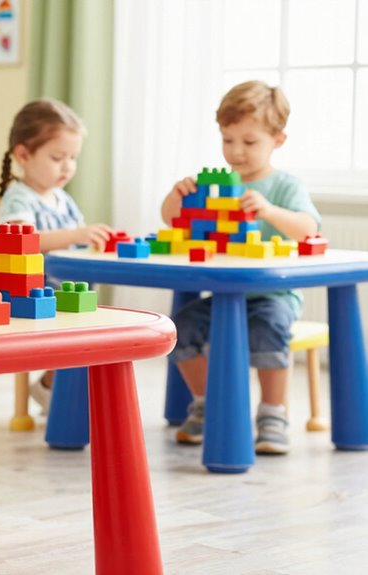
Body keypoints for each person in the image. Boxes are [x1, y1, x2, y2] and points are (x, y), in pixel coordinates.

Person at [160, 80, 320, 454]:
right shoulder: (213, 186)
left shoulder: (284, 185)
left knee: (269, 329)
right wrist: (175, 196)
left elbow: (308, 228)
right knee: (181, 328)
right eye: (227, 140)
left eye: (249, 142)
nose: (236, 151)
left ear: (277, 140)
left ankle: (272, 413)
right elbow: (172, 220)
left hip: (273, 294)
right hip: (225, 293)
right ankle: (205, 404)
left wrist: (268, 210)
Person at [0, 98, 113, 413]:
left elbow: (80, 242)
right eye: (58, 157)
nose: (68, 166)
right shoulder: (18, 198)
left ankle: (53, 387)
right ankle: (59, 393)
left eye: (73, 158)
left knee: (100, 327)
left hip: (66, 289)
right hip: (35, 291)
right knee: (84, 329)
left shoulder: (62, 199)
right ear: (23, 155)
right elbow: (21, 241)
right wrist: (77, 234)